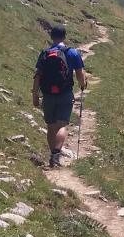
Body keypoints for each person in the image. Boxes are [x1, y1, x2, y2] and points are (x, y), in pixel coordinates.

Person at [31, 25, 87, 167]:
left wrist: (35, 96)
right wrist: (83, 85)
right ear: (64, 36)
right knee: (62, 125)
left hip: (48, 94)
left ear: (51, 37)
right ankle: (56, 154)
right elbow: (80, 74)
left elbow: (37, 76)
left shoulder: (45, 53)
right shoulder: (72, 53)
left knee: (51, 126)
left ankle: (53, 157)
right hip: (65, 94)